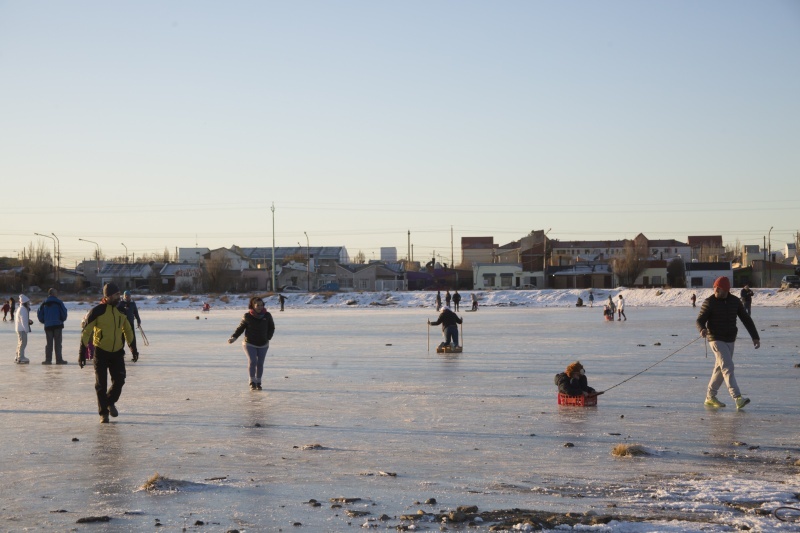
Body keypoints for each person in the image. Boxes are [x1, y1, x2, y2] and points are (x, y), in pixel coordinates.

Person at [696, 276, 760, 410]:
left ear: (725, 290)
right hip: (715, 339)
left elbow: (746, 319)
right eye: (715, 288)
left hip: (730, 339)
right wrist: (702, 329)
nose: (715, 291)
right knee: (728, 367)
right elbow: (700, 320)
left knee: (720, 369)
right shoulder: (710, 302)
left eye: (718, 289)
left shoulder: (735, 302)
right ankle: (737, 398)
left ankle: (710, 397)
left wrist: (755, 337)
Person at [79, 283, 138, 424]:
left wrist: (133, 347)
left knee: (120, 380)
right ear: (108, 296)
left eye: (119, 294)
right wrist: (82, 352)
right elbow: (86, 331)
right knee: (101, 384)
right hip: (101, 352)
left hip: (117, 352)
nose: (120, 297)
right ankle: (103, 413)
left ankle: (110, 401)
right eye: (117, 295)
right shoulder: (97, 311)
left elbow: (128, 330)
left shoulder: (121, 311)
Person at [228, 296, 275, 390]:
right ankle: (252, 381)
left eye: (261, 305)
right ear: (253, 306)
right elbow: (240, 328)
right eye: (258, 305)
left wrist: (268, 337)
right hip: (249, 343)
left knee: (260, 363)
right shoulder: (247, 316)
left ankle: (258, 382)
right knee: (253, 361)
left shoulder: (267, 315)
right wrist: (234, 337)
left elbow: (271, 328)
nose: (260, 307)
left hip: (263, 343)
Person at [37, 288, 69, 364]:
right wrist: (62, 320)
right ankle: (59, 360)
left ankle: (48, 360)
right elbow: (64, 313)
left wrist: (45, 321)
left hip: (48, 326)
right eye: (56, 292)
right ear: (54, 294)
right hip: (58, 325)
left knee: (49, 343)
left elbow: (39, 314)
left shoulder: (44, 303)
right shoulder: (59, 302)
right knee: (58, 343)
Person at [117, 290, 141, 360]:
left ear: (130, 296)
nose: (127, 297)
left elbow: (136, 313)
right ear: (124, 296)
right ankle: (120, 355)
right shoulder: (120, 303)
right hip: (122, 324)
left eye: (128, 296)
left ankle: (135, 354)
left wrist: (138, 321)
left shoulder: (133, 304)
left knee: (132, 340)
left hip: (130, 324)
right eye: (126, 296)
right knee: (121, 340)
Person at [14, 294, 32, 364]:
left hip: (19, 328)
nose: (29, 304)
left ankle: (17, 356)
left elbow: (23, 319)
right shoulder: (23, 309)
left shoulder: (20, 308)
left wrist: (28, 321)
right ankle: (20, 357)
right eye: (28, 302)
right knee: (23, 343)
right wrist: (26, 329)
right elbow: (23, 321)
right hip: (22, 329)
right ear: (25, 302)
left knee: (20, 343)